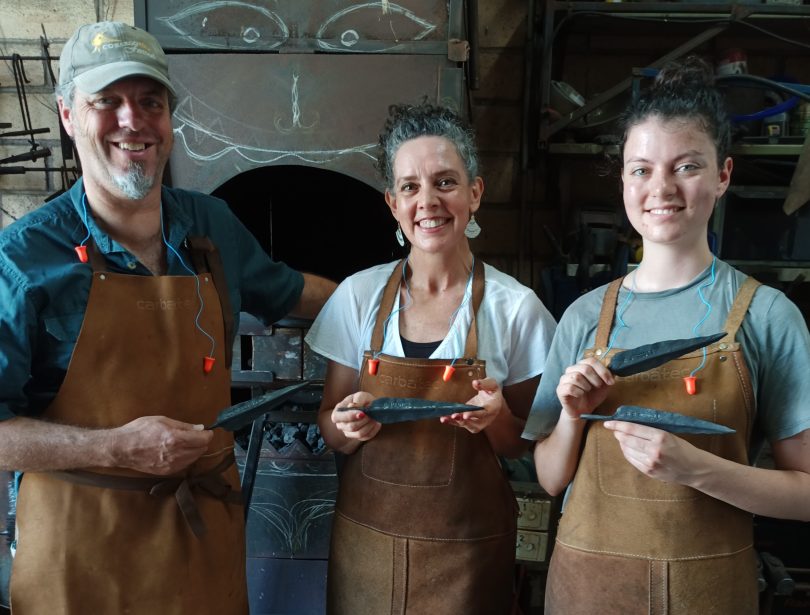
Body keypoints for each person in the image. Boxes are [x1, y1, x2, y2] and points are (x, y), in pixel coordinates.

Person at [0, 21, 336, 615]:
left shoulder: (210, 226)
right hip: (82, 554)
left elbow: (290, 292)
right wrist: (114, 448)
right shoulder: (24, 258)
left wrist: (394, 298)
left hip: (200, 540)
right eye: (107, 102)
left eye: (150, 101)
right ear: (68, 115)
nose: (133, 121)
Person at [524, 57, 810, 614]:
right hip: (586, 590)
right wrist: (572, 412)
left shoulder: (766, 316)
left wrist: (696, 468)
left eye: (687, 166)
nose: (662, 188)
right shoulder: (586, 315)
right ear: (625, 179)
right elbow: (551, 480)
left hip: (708, 593)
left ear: (723, 174)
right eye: (641, 169)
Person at [304, 101, 556, 614]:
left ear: (475, 193)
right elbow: (329, 425)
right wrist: (346, 425)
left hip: (466, 555)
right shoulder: (358, 295)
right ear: (392, 203)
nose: (428, 202)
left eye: (445, 182)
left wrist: (498, 417)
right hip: (366, 547)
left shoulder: (516, 308)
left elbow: (523, 445)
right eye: (410, 187)